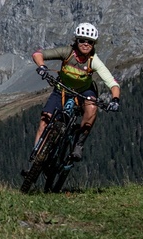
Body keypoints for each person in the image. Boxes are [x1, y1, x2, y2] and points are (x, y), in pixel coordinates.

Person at [31, 22, 121, 161]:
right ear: (76, 41)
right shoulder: (67, 52)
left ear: (94, 44)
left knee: (92, 107)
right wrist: (42, 67)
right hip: (62, 90)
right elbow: (38, 54)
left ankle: (78, 144)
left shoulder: (93, 61)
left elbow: (112, 83)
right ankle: (36, 159)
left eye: (90, 42)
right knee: (45, 120)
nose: (86, 44)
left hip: (84, 92)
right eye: (82, 40)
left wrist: (115, 100)